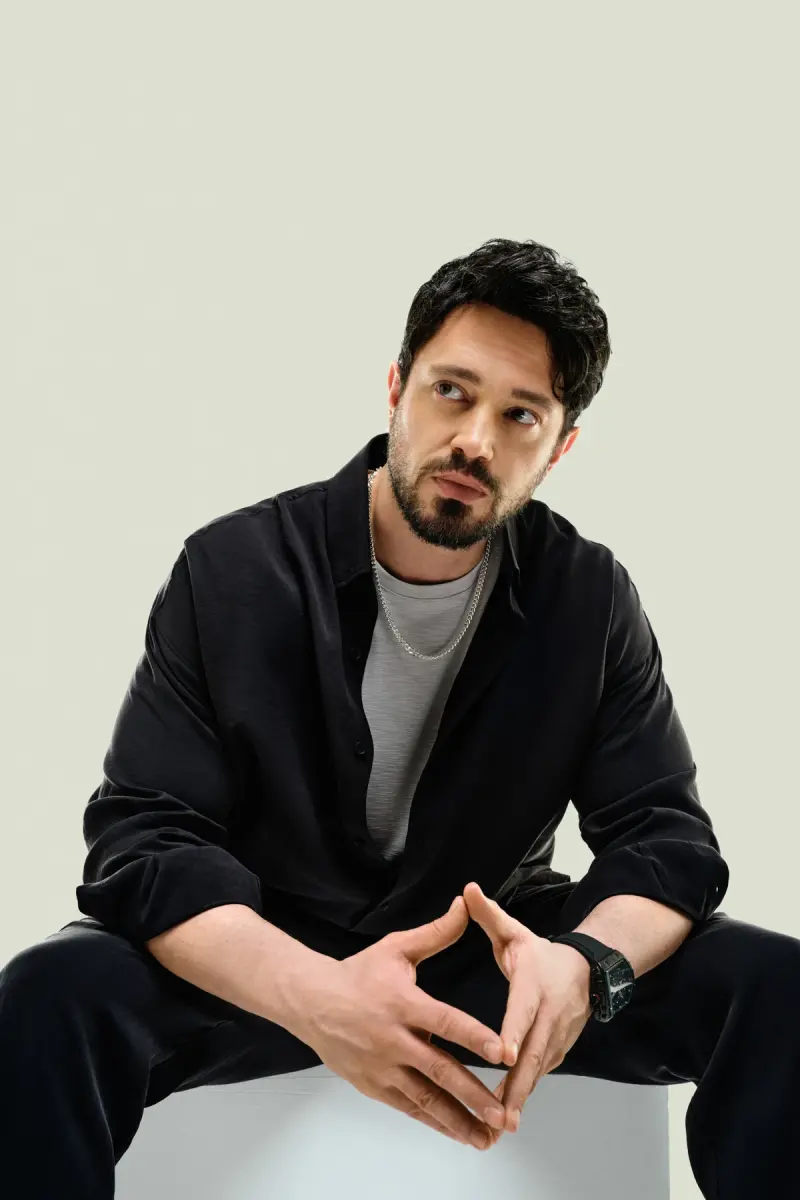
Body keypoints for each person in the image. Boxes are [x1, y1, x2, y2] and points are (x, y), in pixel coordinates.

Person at [0, 237, 796, 1200]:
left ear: (560, 446)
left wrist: (586, 968)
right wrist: (318, 996)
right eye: (452, 392)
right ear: (396, 386)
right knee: (46, 995)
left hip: (490, 960)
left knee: (777, 988)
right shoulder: (232, 569)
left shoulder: (589, 597)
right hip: (266, 953)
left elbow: (665, 837)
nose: (476, 441)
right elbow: (144, 837)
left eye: (520, 415)